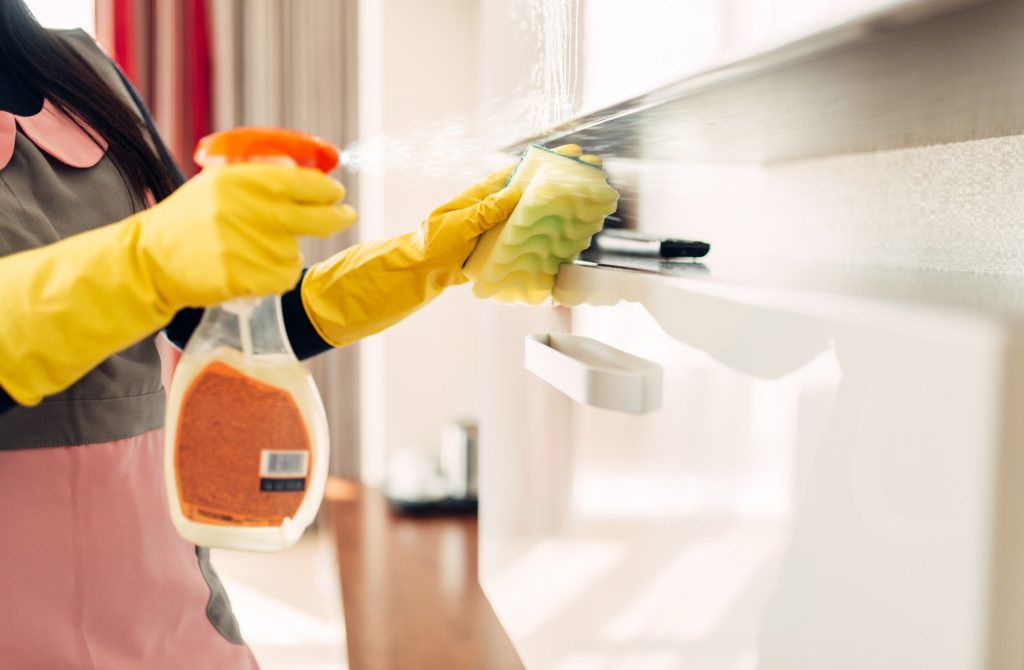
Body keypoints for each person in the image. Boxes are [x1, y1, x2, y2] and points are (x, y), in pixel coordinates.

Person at [0, 2, 592, 667]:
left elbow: (212, 327)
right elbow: (148, 274)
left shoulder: (82, 74)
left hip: (180, 629)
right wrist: (143, 263)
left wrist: (420, 263)